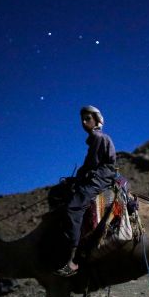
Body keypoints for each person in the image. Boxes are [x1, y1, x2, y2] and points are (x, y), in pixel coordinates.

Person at [54, 105, 117, 277]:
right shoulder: (97, 138)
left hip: (100, 177)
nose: (84, 122)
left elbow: (92, 164)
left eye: (88, 118)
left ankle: (72, 260)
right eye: (82, 119)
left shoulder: (97, 137)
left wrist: (79, 176)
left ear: (97, 120)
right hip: (100, 175)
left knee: (73, 208)